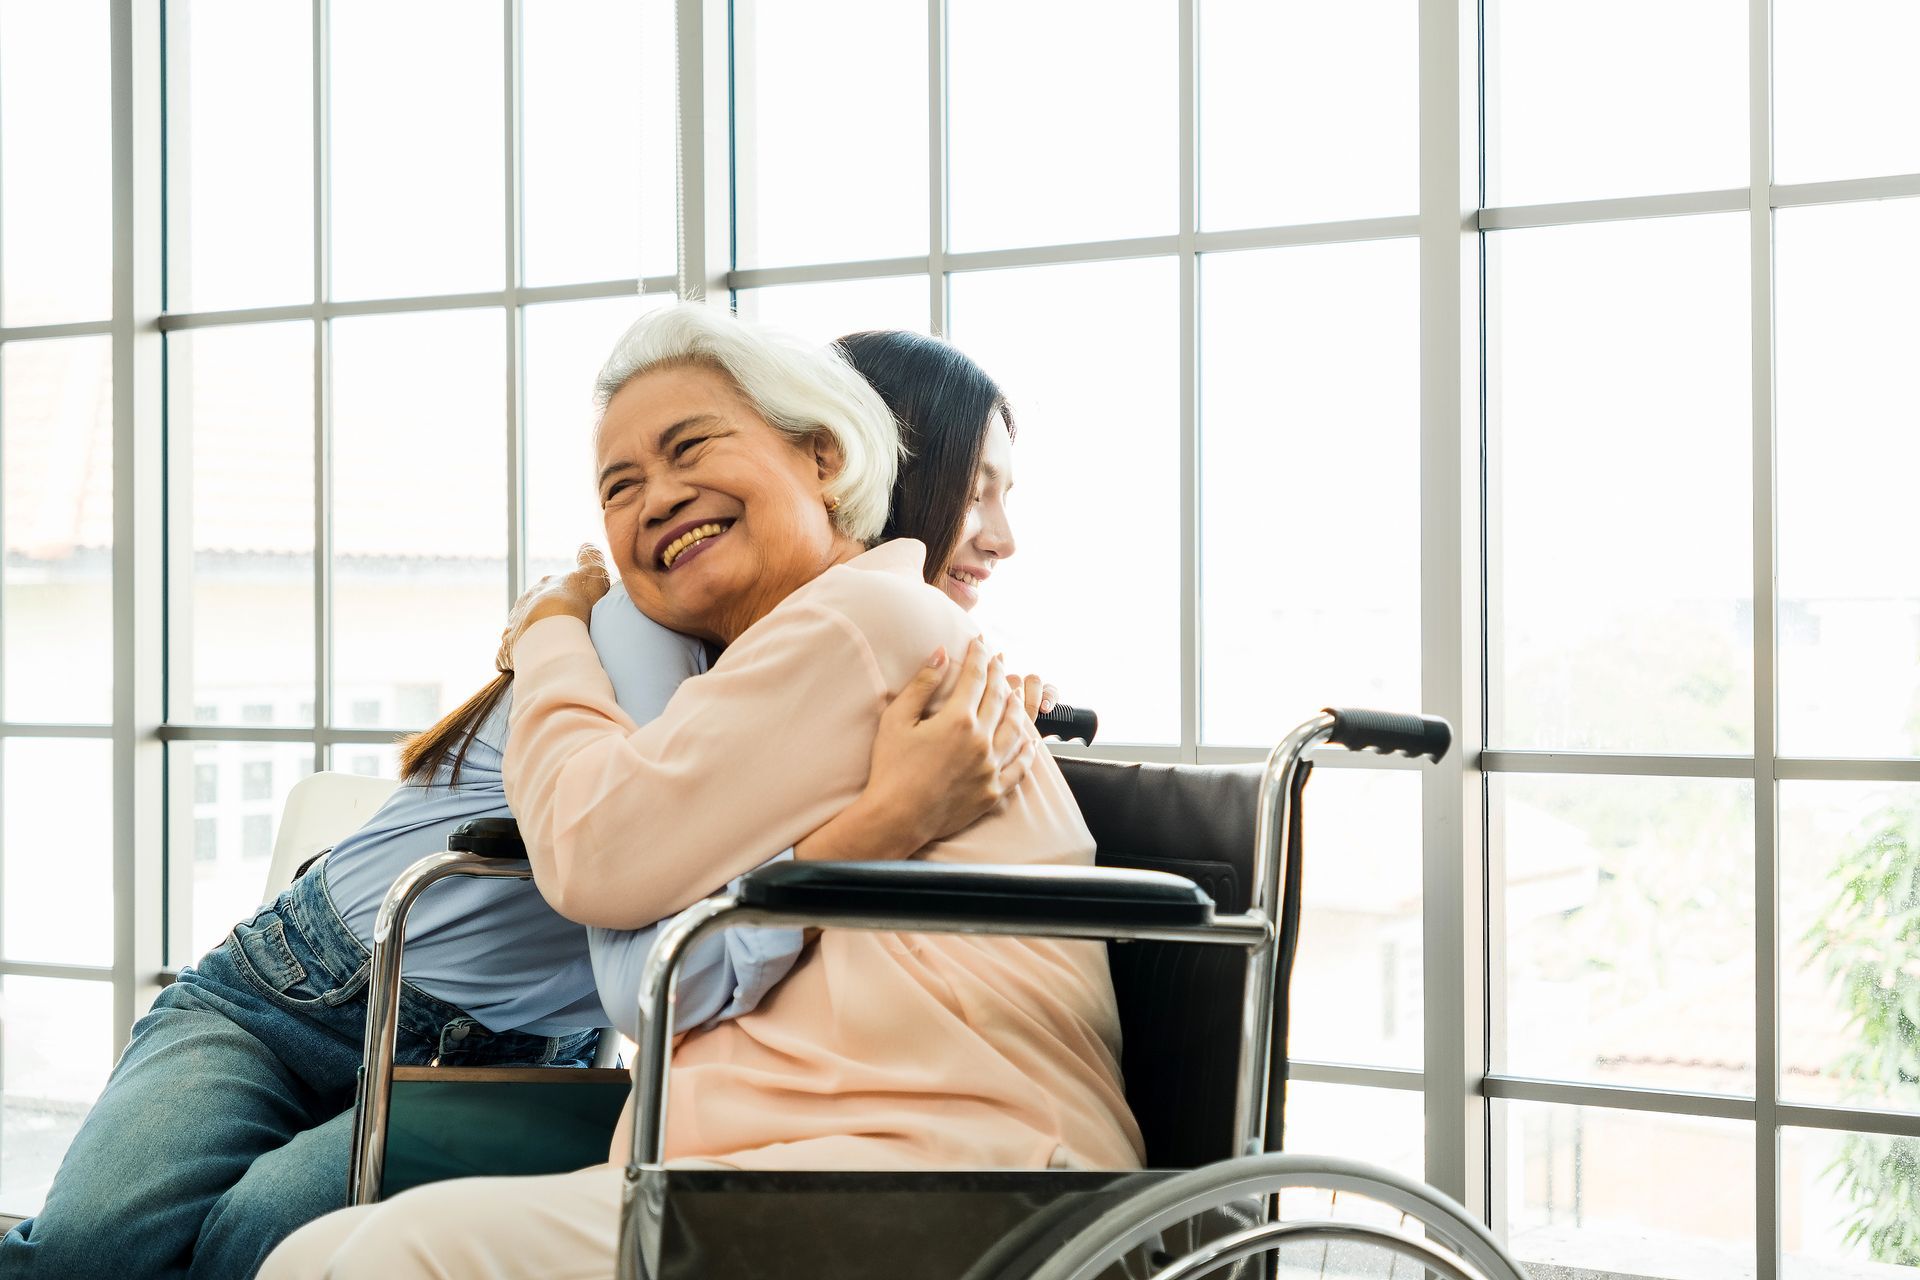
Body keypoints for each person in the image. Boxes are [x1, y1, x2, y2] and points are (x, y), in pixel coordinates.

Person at [0, 329, 1038, 1280]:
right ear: (852, 458)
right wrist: (551, 622)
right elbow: (607, 865)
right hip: (307, 986)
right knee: (94, 1248)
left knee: (255, 1238)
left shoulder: (845, 658)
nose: (995, 536)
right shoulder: (653, 627)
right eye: (975, 491)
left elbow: (686, 942)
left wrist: (990, 719)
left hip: (527, 1055)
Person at [261, 304, 1139, 1279]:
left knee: (373, 1257)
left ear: (823, 458)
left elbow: (592, 850)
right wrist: (872, 826)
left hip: (947, 1168)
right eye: (620, 485)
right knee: (316, 1249)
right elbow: (653, 937)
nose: (657, 498)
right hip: (791, 1157)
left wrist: (548, 629)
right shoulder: (782, 653)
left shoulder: (856, 618)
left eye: (692, 448)